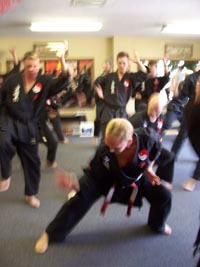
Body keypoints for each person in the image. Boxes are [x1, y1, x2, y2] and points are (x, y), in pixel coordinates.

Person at [35, 118, 172, 254]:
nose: (110, 149)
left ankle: (157, 225)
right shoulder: (104, 152)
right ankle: (51, 234)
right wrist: (75, 184)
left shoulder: (147, 138)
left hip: (136, 177)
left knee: (164, 196)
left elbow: (156, 150)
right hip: (106, 178)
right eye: (108, 144)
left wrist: (148, 169)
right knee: (79, 199)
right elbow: (92, 175)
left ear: (129, 142)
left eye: (116, 147)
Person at [0, 50, 71, 208]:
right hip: (9, 119)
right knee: (3, 142)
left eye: (34, 66)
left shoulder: (45, 81)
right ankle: (6, 175)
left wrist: (62, 60)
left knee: (32, 162)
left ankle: (30, 195)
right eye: (28, 66)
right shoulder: (13, 80)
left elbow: (63, 81)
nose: (31, 69)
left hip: (29, 125)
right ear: (24, 66)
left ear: (39, 65)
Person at [94, 51, 149, 138]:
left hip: (121, 112)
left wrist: (138, 62)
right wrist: (101, 96)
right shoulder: (109, 77)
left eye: (124, 63)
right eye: (119, 63)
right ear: (117, 63)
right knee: (106, 138)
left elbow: (144, 74)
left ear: (127, 64)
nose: (121, 65)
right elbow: (97, 84)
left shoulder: (130, 78)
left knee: (122, 137)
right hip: (108, 111)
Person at [129, 93, 175, 189]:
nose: (154, 113)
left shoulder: (161, 119)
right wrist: (149, 164)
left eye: (157, 111)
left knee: (170, 156)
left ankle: (162, 178)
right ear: (149, 103)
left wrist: (153, 159)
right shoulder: (137, 119)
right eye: (153, 109)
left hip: (153, 149)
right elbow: (129, 141)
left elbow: (159, 136)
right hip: (138, 151)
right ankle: (145, 175)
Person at [170, 67, 200, 191]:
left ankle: (194, 178)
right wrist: (176, 91)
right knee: (182, 136)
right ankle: (171, 158)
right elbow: (181, 96)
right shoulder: (192, 78)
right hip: (193, 113)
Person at [92, 60, 112, 145]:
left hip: (108, 102)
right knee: (97, 120)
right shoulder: (101, 76)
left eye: (107, 65)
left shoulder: (112, 77)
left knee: (108, 121)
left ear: (110, 66)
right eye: (104, 65)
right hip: (99, 103)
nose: (105, 67)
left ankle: (107, 139)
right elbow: (96, 83)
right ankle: (95, 137)